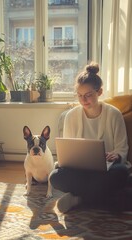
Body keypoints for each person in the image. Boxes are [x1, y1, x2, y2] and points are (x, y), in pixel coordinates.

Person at [50, 61, 129, 213]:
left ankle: (79, 198)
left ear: (99, 92)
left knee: (121, 172)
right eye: (79, 96)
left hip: (106, 170)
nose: (83, 100)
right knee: (55, 177)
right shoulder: (71, 116)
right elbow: (69, 150)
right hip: (79, 170)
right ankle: (102, 197)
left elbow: (122, 147)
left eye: (88, 95)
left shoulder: (114, 114)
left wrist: (117, 155)